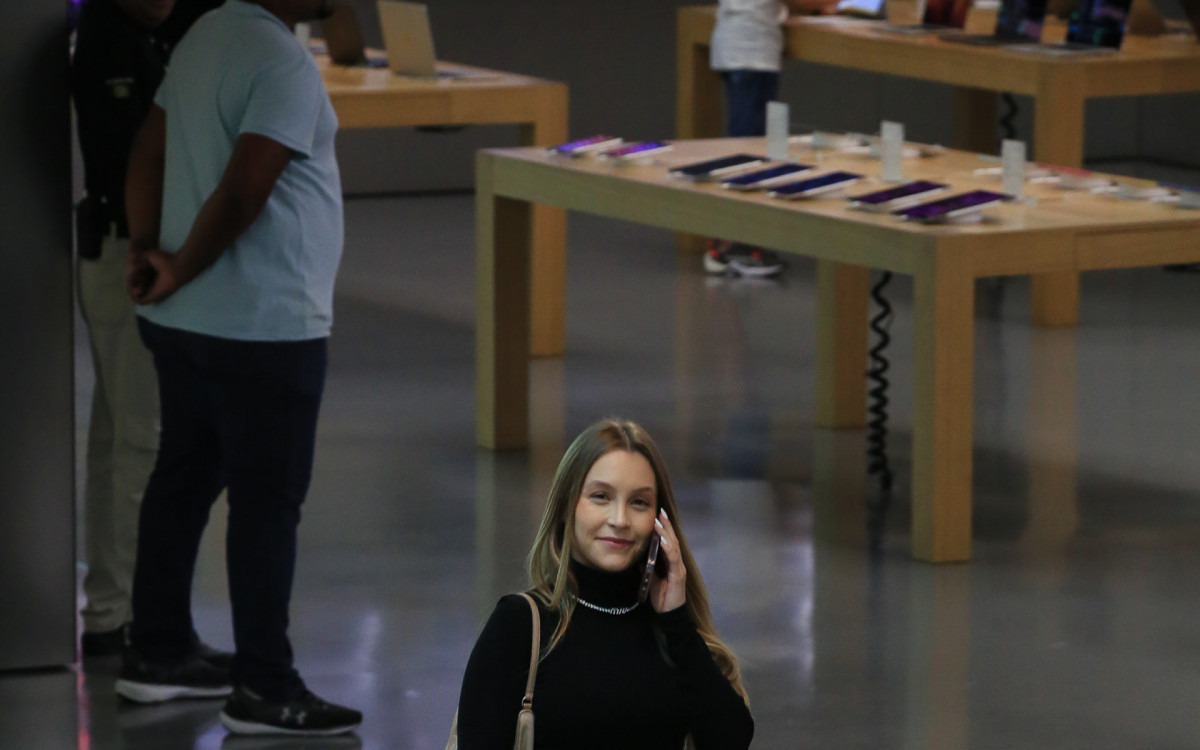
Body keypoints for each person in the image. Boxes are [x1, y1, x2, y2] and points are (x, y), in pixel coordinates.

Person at [116, 0, 361, 736]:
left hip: (186, 326)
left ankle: (155, 653)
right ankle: (264, 686)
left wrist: (145, 254)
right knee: (266, 504)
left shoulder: (203, 36)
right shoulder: (280, 62)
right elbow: (245, 190)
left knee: (182, 478)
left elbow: (147, 152)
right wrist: (180, 266)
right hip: (263, 327)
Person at [70, 0, 221, 659]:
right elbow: (133, 159)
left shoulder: (158, 31)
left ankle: (113, 610)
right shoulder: (110, 39)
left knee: (118, 437)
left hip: (125, 253)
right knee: (141, 443)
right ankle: (137, 621)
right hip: (131, 254)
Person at [456, 418, 754, 749]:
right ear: (567, 507)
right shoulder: (520, 626)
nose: (620, 520)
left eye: (639, 502)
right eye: (601, 496)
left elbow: (732, 739)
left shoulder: (671, 634)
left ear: (659, 521)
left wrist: (678, 623)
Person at [706, 0, 839, 278]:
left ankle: (735, 243)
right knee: (747, 155)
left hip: (737, 45)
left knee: (744, 148)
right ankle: (733, 247)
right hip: (752, 52)